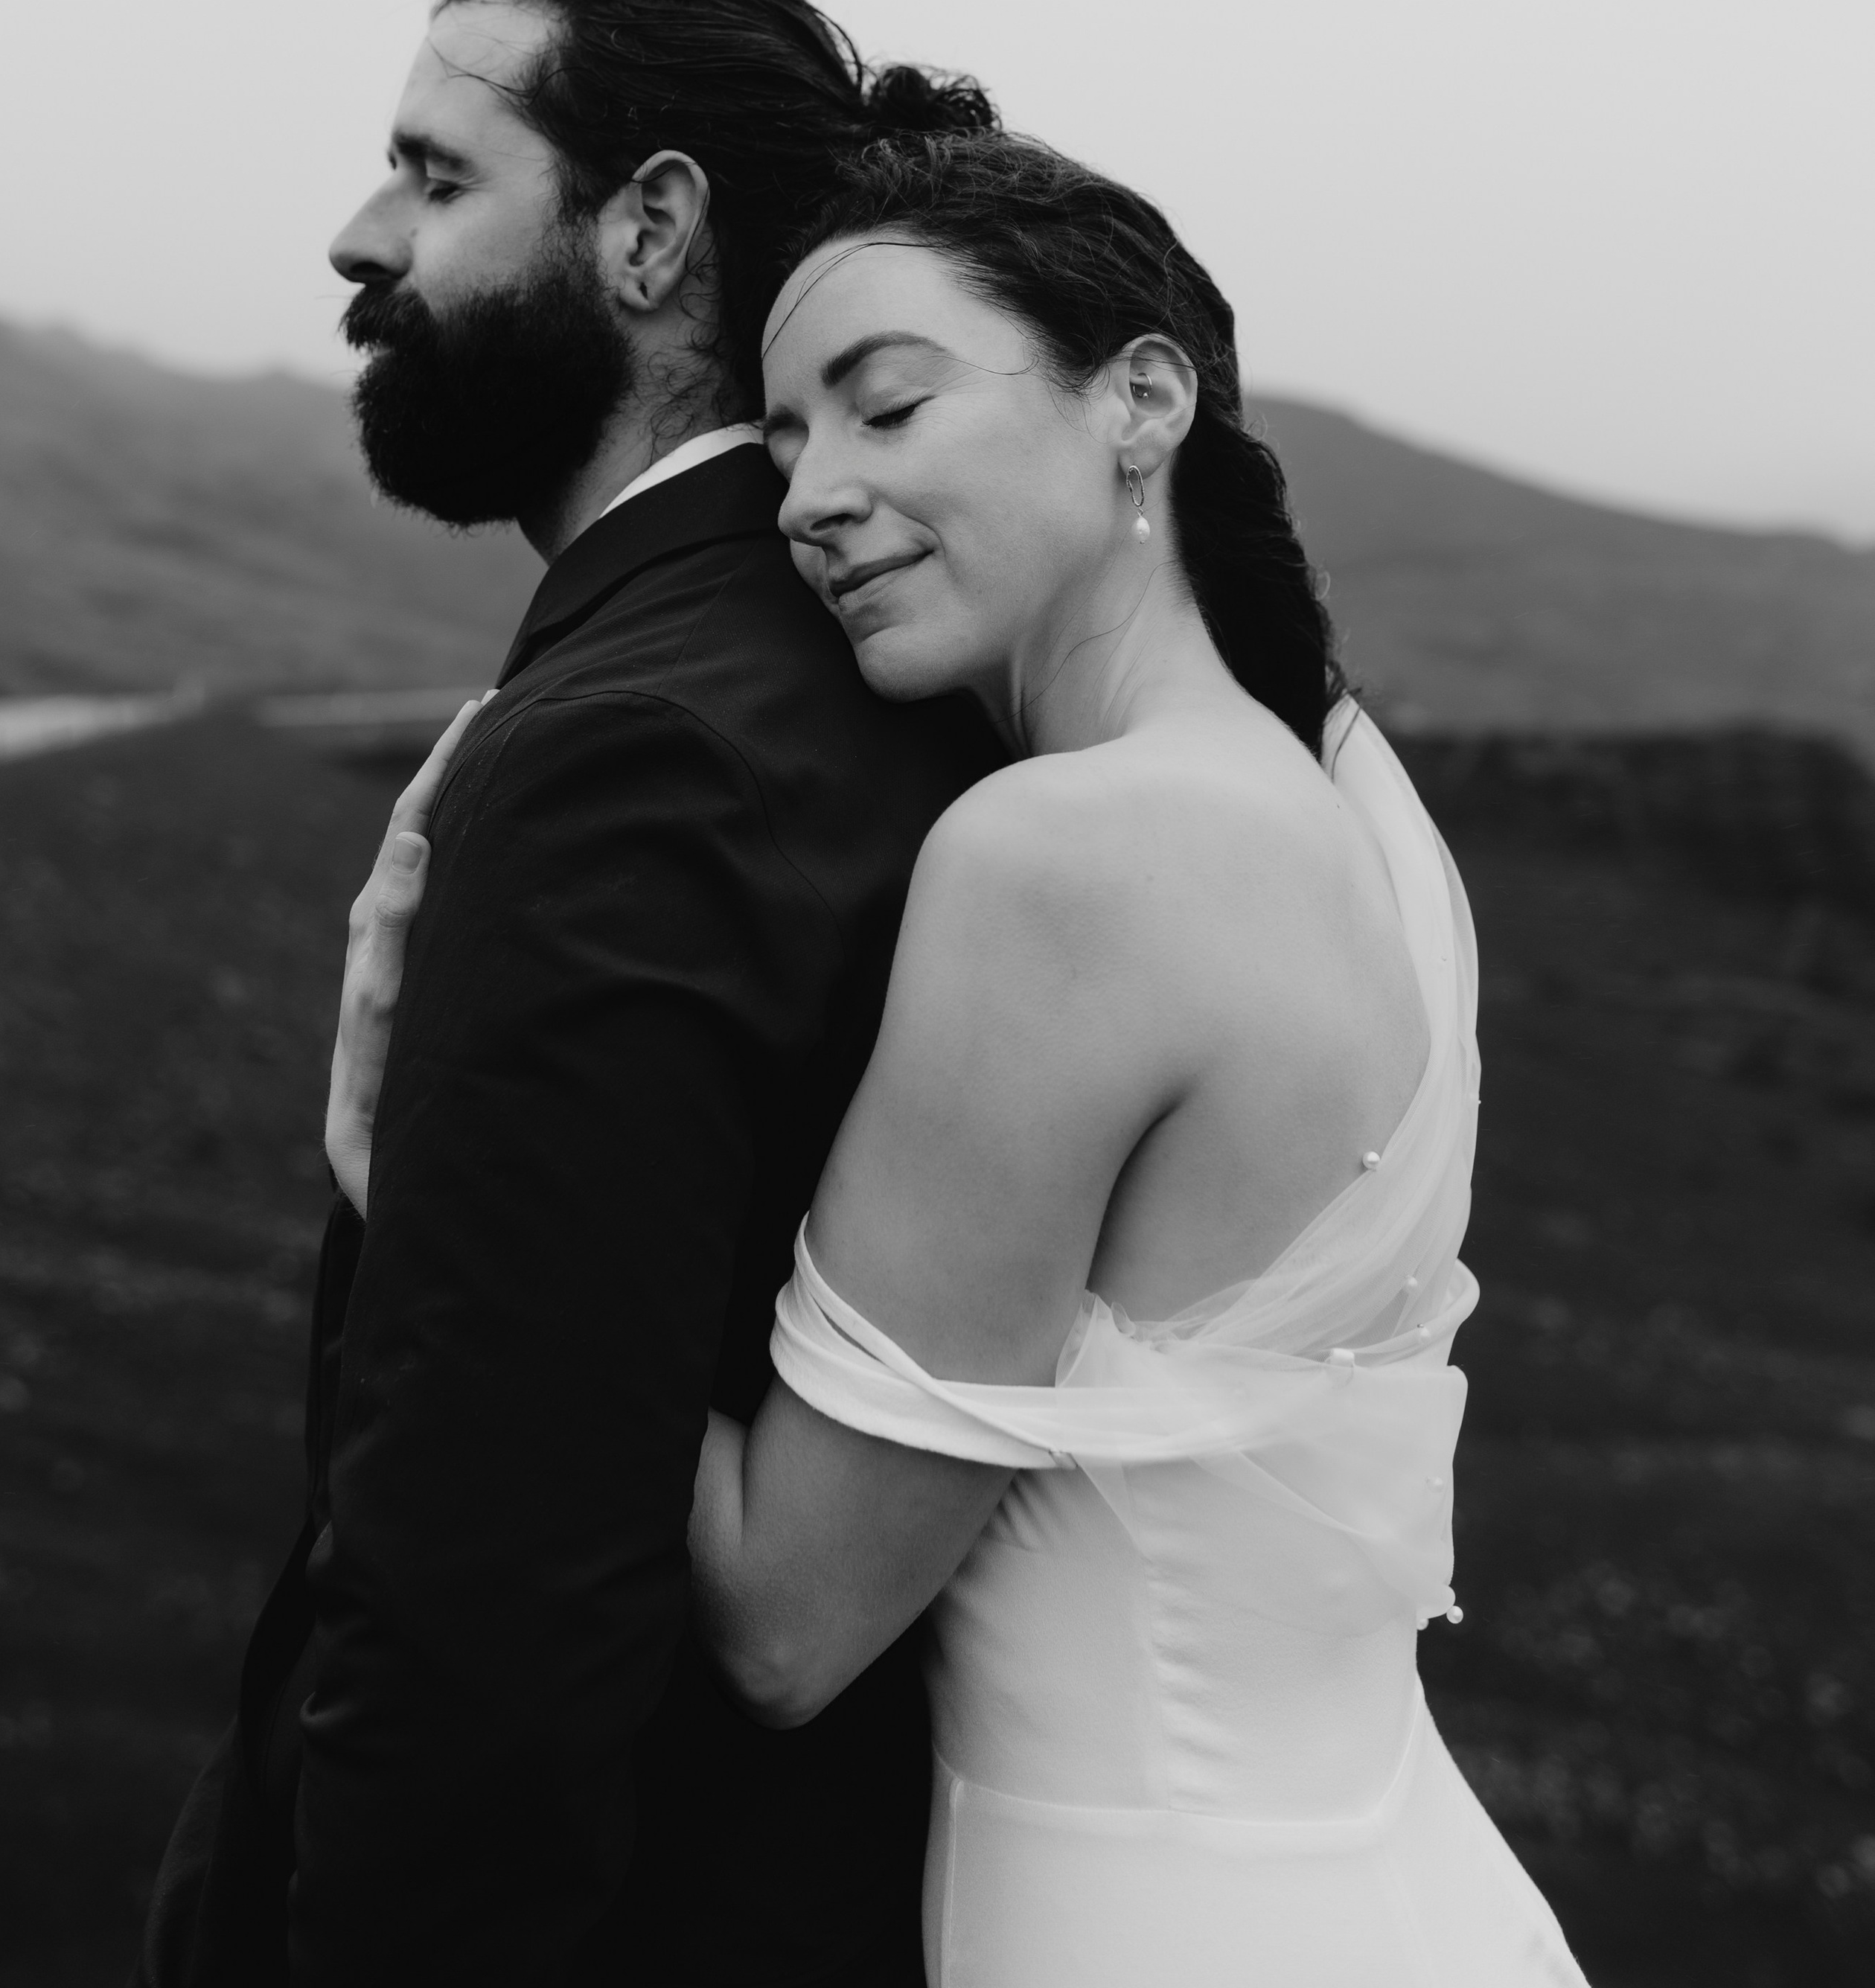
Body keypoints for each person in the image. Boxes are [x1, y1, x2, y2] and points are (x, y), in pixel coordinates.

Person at [130, 0, 1000, 1988]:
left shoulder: (629, 752)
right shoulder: (856, 673)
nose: (361, 238)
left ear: (650, 233)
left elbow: (490, 1602)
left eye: (438, 178)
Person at [673, 131, 1591, 1984]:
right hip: (1397, 1888)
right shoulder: (1347, 812)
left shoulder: (1065, 858)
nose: (809, 496)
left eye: (885, 407)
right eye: (782, 442)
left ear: (1141, 399)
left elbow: (787, 1619)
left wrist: (462, 1191)